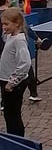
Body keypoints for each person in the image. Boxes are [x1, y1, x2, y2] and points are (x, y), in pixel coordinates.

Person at [0, 0, 42, 102]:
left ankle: (3, 101)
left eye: (5, 24)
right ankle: (33, 93)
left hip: (5, 53)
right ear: (8, 0)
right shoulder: (13, 17)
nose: (4, 27)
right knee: (28, 70)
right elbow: (26, 28)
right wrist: (37, 38)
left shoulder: (15, 36)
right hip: (9, 55)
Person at [0, 8, 32, 136]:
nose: (3, 27)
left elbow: (25, 64)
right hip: (5, 80)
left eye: (6, 24)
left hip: (13, 84)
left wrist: (12, 82)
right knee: (8, 113)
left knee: (13, 115)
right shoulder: (10, 36)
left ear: (17, 23)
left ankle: (17, 139)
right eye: (2, 24)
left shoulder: (19, 41)